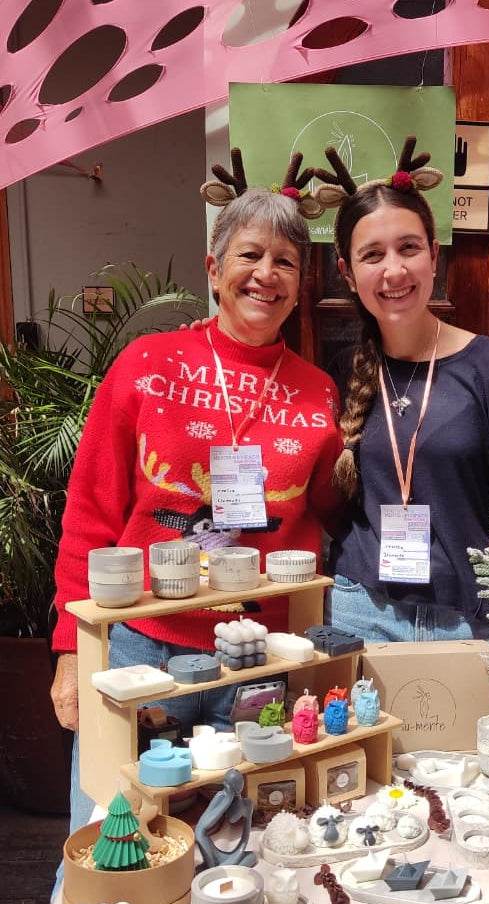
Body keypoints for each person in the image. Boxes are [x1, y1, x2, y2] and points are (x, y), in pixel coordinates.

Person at [50, 147, 343, 840]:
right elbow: (90, 509)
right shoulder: (147, 365)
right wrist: (70, 648)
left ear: (299, 286)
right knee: (114, 839)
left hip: (263, 660)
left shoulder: (319, 391)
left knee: (250, 845)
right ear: (214, 269)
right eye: (249, 255)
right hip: (141, 652)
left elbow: (333, 515)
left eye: (285, 262)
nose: (266, 274)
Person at [313, 136, 489, 644]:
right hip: (361, 612)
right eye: (372, 255)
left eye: (409, 248)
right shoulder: (342, 370)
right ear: (348, 274)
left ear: (434, 255)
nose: (394, 270)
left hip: (469, 620)